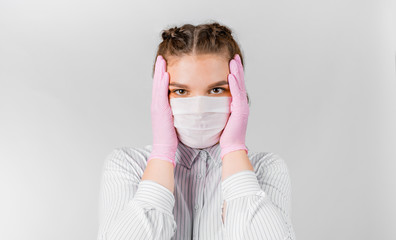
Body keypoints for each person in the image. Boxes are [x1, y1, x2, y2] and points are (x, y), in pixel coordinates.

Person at [97, 22, 296, 240]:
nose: (199, 108)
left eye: (217, 89)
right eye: (181, 91)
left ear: (238, 95)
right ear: (160, 95)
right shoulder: (127, 165)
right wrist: (163, 153)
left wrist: (234, 150)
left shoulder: (265, 169)